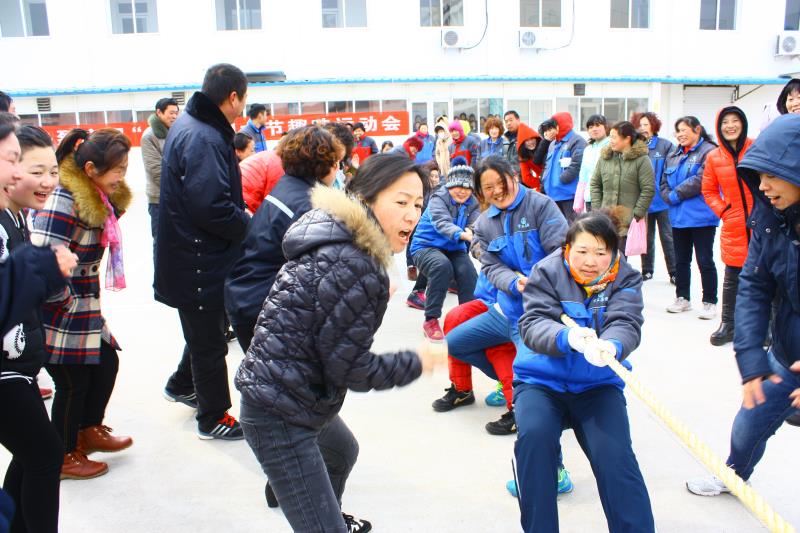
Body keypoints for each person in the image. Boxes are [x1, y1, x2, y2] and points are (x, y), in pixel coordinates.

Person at [235, 153, 437, 533]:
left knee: (341, 451)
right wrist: (419, 360)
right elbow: (354, 370)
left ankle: (301, 499)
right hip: (279, 411)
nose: (412, 215)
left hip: (293, 392)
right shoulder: (355, 263)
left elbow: (333, 331)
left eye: (418, 204)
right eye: (401, 202)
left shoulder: (338, 234)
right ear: (366, 197)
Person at [514, 210, 655, 533]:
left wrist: (613, 346)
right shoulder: (546, 271)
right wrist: (568, 338)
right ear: (567, 248)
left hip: (597, 385)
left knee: (615, 458)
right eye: (582, 251)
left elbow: (626, 321)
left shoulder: (625, 278)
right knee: (535, 440)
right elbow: (533, 323)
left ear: (614, 252)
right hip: (541, 382)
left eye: (601, 252)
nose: (591, 261)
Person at [685, 113, 800, 497]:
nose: (762, 186)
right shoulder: (769, 218)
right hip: (786, 352)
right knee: (748, 424)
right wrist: (751, 360)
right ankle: (735, 473)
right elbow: (753, 287)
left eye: (771, 176)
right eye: (758, 176)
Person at [438, 156, 569, 436]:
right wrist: (512, 282)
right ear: (480, 192)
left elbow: (561, 251)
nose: (497, 191)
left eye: (501, 182)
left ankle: (525, 410)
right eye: (488, 187)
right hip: (505, 308)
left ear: (514, 177)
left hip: (539, 312)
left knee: (527, 368)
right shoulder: (485, 223)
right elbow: (491, 265)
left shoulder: (541, 205)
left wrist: (537, 281)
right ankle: (497, 385)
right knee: (455, 342)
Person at [31, 128, 134, 479]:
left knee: (106, 363)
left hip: (83, 305)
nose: (121, 177)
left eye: (124, 168)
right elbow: (41, 263)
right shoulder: (63, 201)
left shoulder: (100, 198)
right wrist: (66, 302)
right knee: (72, 382)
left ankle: (87, 430)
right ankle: (61, 454)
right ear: (91, 169)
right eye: (117, 169)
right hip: (56, 310)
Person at [155, 63, 251, 440]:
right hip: (197, 257)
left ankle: (182, 385)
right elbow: (211, 207)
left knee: (203, 330)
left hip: (193, 252)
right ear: (233, 97)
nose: (243, 107)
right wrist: (250, 225)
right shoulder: (205, 137)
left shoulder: (193, 125)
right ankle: (212, 418)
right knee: (209, 342)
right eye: (244, 99)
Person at [0, 125, 67, 532]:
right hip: (7, 370)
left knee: (34, 455)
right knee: (44, 455)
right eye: (33, 170)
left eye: (53, 171)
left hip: (20, 365)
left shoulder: (17, 217)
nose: (47, 182)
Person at [225, 126, 344, 354]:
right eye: (337, 162)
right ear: (325, 164)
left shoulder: (286, 186)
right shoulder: (310, 205)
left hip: (244, 294)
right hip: (265, 307)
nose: (338, 168)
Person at [701, 106, 754, 346]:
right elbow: (708, 190)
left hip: (762, 221)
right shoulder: (714, 156)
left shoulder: (756, 147)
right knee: (733, 275)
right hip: (734, 223)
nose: (730, 126)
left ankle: (767, 327)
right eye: (725, 122)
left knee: (766, 274)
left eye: (735, 120)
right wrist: (724, 211)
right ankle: (728, 324)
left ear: (743, 123)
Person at [410, 160, 480, 340]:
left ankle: (467, 319)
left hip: (454, 248)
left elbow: (475, 223)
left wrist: (472, 230)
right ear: (449, 185)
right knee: (442, 267)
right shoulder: (438, 199)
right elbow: (442, 223)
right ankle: (431, 319)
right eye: (458, 186)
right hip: (426, 246)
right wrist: (464, 234)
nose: (462, 191)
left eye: (467, 187)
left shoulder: (472, 202)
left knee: (468, 272)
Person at [661, 116, 719, 319]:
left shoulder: (709, 151)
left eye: (684, 130)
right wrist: (666, 195)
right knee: (681, 260)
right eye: (677, 131)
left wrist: (674, 195)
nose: (680, 134)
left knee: (704, 260)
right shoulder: (674, 154)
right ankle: (682, 298)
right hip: (678, 217)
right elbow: (663, 180)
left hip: (702, 216)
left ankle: (709, 301)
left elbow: (701, 179)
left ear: (697, 129)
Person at [590, 121, 655, 251]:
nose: (611, 141)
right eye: (610, 137)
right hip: (605, 220)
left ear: (627, 139)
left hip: (627, 222)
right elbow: (595, 184)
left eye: (614, 137)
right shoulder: (605, 158)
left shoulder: (642, 160)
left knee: (620, 258)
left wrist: (637, 214)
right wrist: (598, 210)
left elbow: (648, 189)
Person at [634, 111, 677, 283]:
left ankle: (674, 272)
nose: (643, 128)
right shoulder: (636, 146)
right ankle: (647, 270)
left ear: (654, 126)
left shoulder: (665, 145)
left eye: (646, 124)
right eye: (640, 125)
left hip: (663, 201)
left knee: (668, 237)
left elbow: (672, 169)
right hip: (644, 201)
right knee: (646, 237)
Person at [140, 97, 179, 252]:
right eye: (171, 113)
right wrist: (181, 186)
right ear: (159, 112)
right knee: (161, 241)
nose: (174, 116)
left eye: (176, 113)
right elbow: (156, 170)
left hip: (177, 197)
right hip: (159, 199)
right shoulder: (149, 136)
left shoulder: (175, 132)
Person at [540, 112, 587, 223]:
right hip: (552, 194)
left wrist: (562, 180)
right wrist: (544, 182)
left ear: (562, 124)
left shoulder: (577, 140)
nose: (551, 129)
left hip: (568, 195)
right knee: (557, 226)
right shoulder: (553, 143)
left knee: (573, 226)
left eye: (553, 125)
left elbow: (577, 164)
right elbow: (547, 165)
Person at [575, 114, 610, 213]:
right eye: (591, 127)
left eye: (598, 125)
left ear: (605, 127)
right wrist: (579, 199)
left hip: (606, 198)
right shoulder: (588, 149)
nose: (594, 129)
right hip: (589, 197)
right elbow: (583, 175)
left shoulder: (612, 146)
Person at [239, 147, 284, 213]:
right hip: (246, 206)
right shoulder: (278, 165)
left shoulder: (267, 155)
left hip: (236, 198)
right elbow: (273, 203)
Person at [516, 122, 543, 191]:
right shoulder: (523, 156)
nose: (530, 142)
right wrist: (542, 182)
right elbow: (526, 178)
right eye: (527, 141)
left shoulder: (545, 147)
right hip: (543, 182)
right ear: (522, 143)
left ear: (536, 138)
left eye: (532, 139)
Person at [503, 111, 521, 175]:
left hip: (520, 177)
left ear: (518, 120)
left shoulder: (524, 137)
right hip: (507, 175)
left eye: (511, 120)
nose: (508, 123)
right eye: (506, 121)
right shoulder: (504, 139)